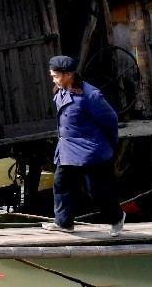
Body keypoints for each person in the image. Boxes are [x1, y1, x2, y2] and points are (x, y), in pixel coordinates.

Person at [42, 55, 126, 237]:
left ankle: (117, 218)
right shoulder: (60, 90)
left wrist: (111, 144)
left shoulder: (91, 95)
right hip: (67, 149)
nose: (53, 78)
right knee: (61, 185)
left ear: (68, 74)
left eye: (56, 75)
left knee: (96, 190)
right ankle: (64, 223)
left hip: (91, 151)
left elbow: (110, 119)